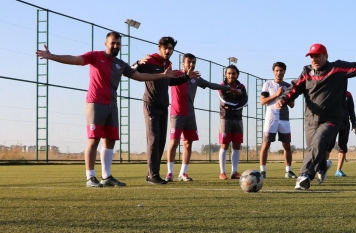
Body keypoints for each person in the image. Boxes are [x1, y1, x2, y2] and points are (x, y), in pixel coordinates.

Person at [35, 32, 178, 188]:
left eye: (118, 43)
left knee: (110, 140)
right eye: (113, 43)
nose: (116, 46)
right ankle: (90, 177)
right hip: (95, 103)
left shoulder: (120, 64)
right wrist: (52, 56)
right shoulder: (95, 56)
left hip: (112, 105)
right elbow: (75, 59)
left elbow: (140, 76)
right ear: (106, 43)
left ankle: (106, 176)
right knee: (94, 139)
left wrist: (163, 76)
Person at [275, 43, 356, 190]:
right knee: (314, 149)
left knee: (318, 143)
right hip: (311, 120)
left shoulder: (337, 69)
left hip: (331, 120)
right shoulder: (306, 72)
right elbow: (295, 87)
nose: (314, 59)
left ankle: (305, 176)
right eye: (311, 56)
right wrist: (283, 99)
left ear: (326, 56)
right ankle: (322, 167)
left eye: (318, 56)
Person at [132, 37, 200, 185]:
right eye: (165, 48)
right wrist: (137, 63)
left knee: (161, 141)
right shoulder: (150, 60)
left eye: (170, 49)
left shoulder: (168, 64)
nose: (168, 51)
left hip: (164, 106)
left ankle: (154, 173)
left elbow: (171, 81)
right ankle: (152, 175)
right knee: (154, 139)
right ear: (159, 48)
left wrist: (186, 77)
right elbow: (130, 71)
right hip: (151, 105)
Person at [165, 53, 240, 182]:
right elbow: (161, 79)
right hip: (176, 114)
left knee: (188, 144)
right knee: (174, 142)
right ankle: (170, 172)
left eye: (193, 62)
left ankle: (183, 173)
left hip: (190, 115)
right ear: (183, 63)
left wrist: (229, 88)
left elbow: (211, 85)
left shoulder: (196, 78)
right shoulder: (175, 74)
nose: (191, 64)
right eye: (189, 62)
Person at [259, 62, 295, 179]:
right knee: (266, 145)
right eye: (277, 70)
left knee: (287, 145)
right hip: (271, 119)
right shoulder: (268, 84)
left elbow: (292, 104)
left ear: (284, 72)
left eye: (281, 70)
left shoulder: (289, 86)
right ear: (273, 72)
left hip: (284, 119)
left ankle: (288, 171)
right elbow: (263, 101)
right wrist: (276, 94)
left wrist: (286, 95)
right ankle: (262, 171)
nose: (279, 73)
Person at [218, 65, 248, 180]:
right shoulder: (222, 86)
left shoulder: (241, 86)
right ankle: (222, 172)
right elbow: (224, 100)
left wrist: (232, 107)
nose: (231, 75)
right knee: (224, 145)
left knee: (237, 146)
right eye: (229, 73)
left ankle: (234, 172)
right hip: (225, 119)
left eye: (233, 73)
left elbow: (245, 101)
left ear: (237, 74)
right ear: (226, 74)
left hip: (238, 119)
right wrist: (236, 102)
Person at [326, 91, 356, 177]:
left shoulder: (348, 94)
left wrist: (354, 124)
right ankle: (322, 169)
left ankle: (338, 171)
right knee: (328, 146)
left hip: (345, 123)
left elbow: (351, 110)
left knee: (342, 146)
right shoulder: (330, 92)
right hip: (332, 123)